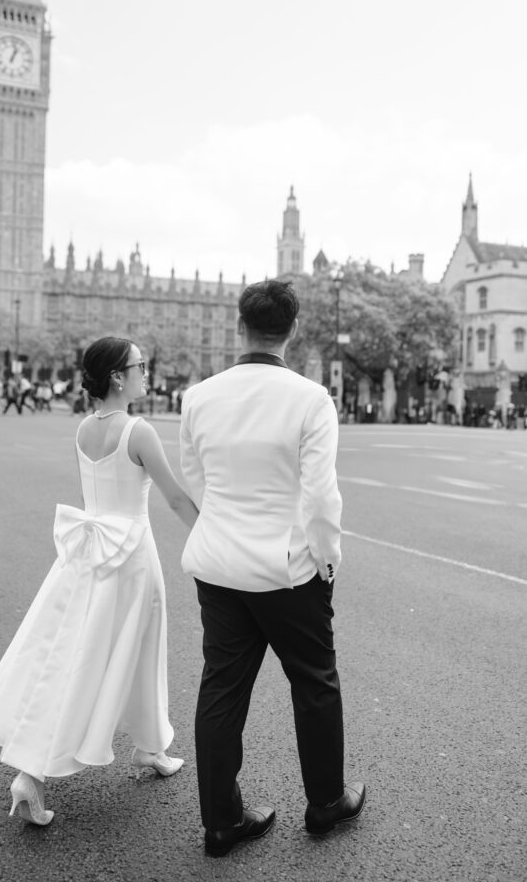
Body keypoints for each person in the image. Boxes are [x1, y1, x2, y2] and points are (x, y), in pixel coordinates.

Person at [0, 336, 199, 825]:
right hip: (132, 555)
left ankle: (150, 746)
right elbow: (176, 499)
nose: (147, 371)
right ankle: (36, 771)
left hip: (87, 553)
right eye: (141, 364)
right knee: (132, 650)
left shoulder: (83, 429)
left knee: (72, 653)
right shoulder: (138, 431)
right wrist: (211, 534)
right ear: (118, 376)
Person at [179, 278, 365, 858]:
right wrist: (327, 560)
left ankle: (222, 821)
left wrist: (224, 527)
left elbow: (196, 479)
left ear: (241, 325)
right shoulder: (309, 398)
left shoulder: (199, 396)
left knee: (221, 691)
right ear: (294, 328)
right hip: (286, 568)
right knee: (313, 682)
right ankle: (326, 802)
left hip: (218, 564)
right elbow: (321, 498)